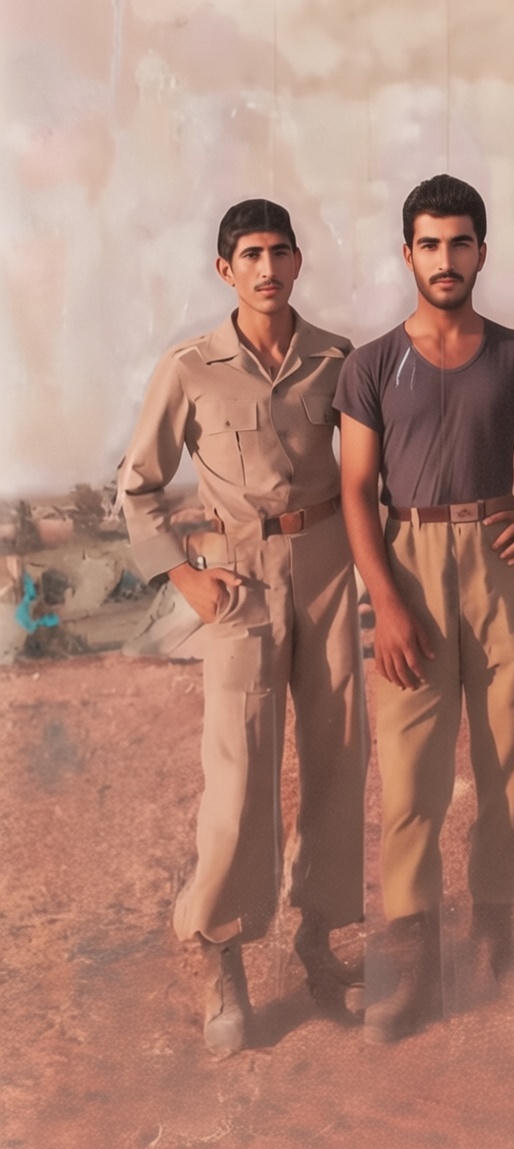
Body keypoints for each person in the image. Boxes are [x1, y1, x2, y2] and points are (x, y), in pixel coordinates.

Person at [118, 199, 368, 1055]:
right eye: (251, 255)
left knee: (339, 754)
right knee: (239, 771)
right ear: (225, 270)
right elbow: (138, 485)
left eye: (280, 252)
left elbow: (371, 468)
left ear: (298, 262)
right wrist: (183, 575)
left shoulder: (336, 359)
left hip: (327, 565)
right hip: (240, 580)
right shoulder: (190, 368)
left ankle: (319, 938)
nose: (268, 268)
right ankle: (222, 954)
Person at [337, 174, 514, 1042]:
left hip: (501, 564)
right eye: (429, 244)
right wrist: (385, 602)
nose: (445, 259)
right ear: (407, 253)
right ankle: (417, 967)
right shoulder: (371, 365)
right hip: (412, 566)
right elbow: (357, 490)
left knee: (512, 759)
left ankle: (496, 932)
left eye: (459, 242)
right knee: (410, 776)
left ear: (481, 251)